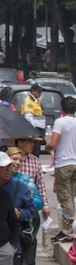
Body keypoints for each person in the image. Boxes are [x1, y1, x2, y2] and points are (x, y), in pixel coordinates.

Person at [12, 136, 48, 265]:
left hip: (30, 205)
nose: (33, 145)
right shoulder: (9, 159)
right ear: (20, 142)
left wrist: (45, 204)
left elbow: (41, 184)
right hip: (13, 206)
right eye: (30, 142)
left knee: (30, 238)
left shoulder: (34, 161)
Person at [46, 95, 76, 243]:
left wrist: (47, 146)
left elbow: (53, 143)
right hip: (75, 163)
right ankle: (72, 228)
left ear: (62, 109)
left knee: (65, 199)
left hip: (64, 164)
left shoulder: (60, 122)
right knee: (72, 198)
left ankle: (68, 231)